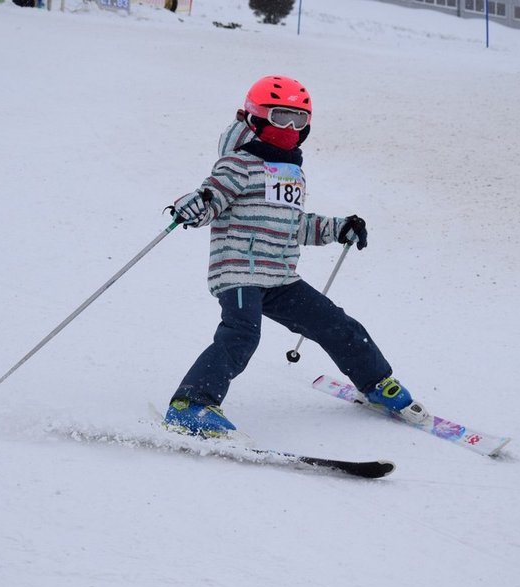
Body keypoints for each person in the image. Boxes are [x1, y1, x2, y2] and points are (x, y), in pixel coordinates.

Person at [165, 75, 426, 437]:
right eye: (280, 117)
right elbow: (210, 200)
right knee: (241, 334)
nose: (289, 128)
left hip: (280, 277)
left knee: (337, 324)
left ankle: (376, 383)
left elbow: (295, 225)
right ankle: (190, 404)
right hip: (239, 272)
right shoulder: (236, 164)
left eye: (298, 119)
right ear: (257, 118)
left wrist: (339, 228)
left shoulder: (292, 173)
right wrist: (193, 207)